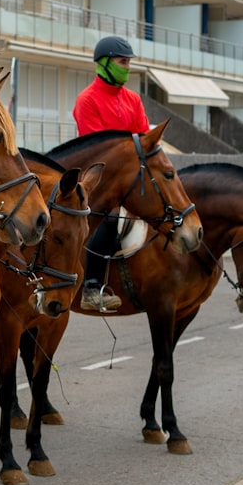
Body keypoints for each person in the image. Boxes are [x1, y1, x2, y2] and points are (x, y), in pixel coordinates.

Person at [72, 35, 152, 312]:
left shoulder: (133, 99)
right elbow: (97, 152)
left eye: (129, 62)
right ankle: (92, 287)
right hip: (99, 182)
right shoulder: (87, 100)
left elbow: (142, 140)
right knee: (110, 219)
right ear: (104, 63)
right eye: (122, 61)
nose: (127, 67)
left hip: (131, 179)